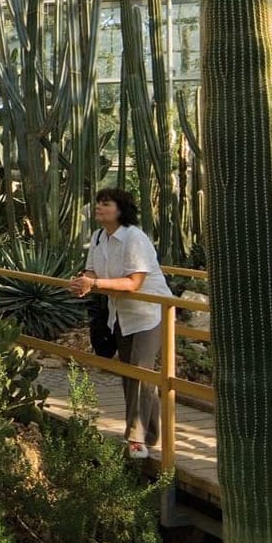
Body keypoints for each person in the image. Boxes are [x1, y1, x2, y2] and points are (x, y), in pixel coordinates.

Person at [68, 187, 172, 460]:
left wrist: (95, 283)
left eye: (106, 204)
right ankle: (149, 433)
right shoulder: (99, 237)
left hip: (149, 313)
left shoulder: (134, 238)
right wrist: (83, 283)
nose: (99, 208)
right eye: (98, 203)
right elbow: (92, 269)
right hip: (121, 315)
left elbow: (134, 282)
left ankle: (136, 439)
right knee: (133, 376)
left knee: (140, 372)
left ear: (120, 209)